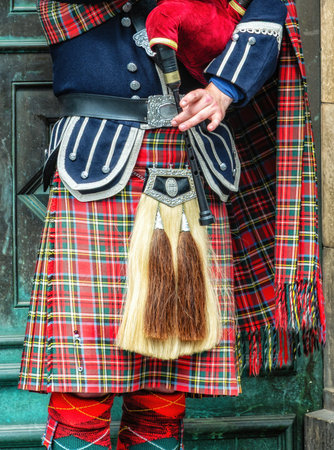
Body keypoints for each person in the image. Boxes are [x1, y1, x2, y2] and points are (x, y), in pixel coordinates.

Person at [18, 0, 325, 449]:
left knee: (168, 376)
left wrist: (225, 87)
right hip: (94, 167)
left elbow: (268, 5)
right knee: (81, 372)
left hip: (190, 158)